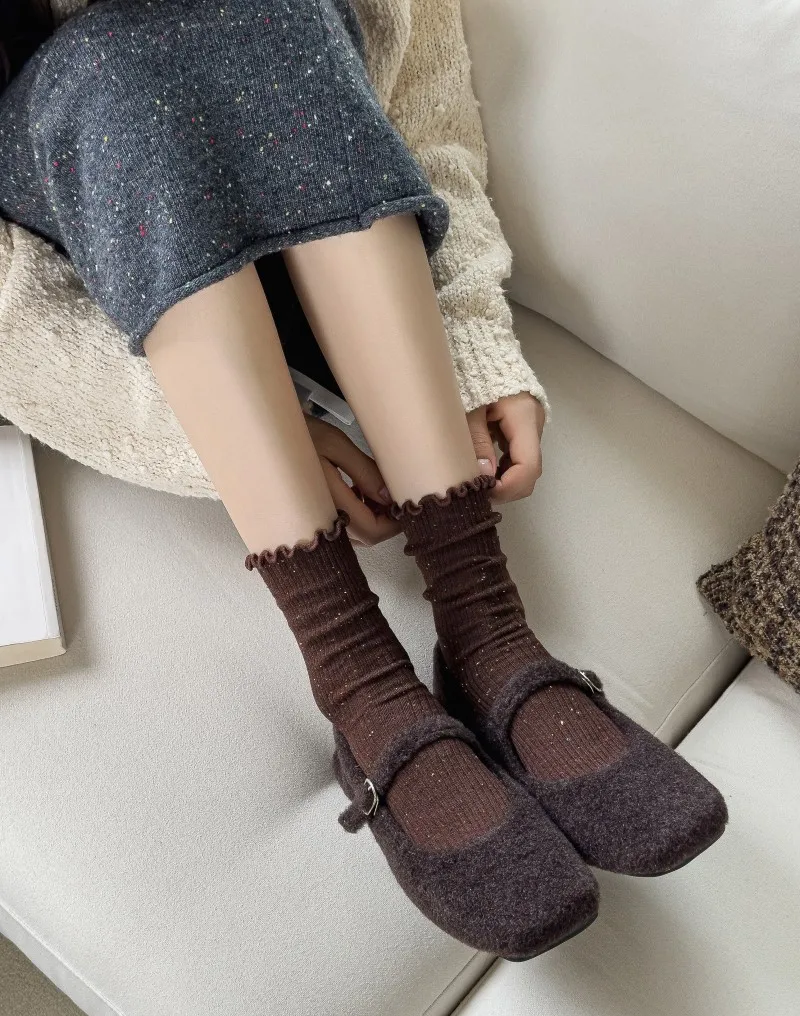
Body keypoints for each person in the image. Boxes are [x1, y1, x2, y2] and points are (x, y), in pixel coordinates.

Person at [0, 0, 727, 962]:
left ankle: (486, 629)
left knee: (273, 14)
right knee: (113, 67)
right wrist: (208, 433)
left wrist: (472, 337)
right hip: (126, 300)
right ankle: (355, 674)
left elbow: (418, 97)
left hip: (355, 253)